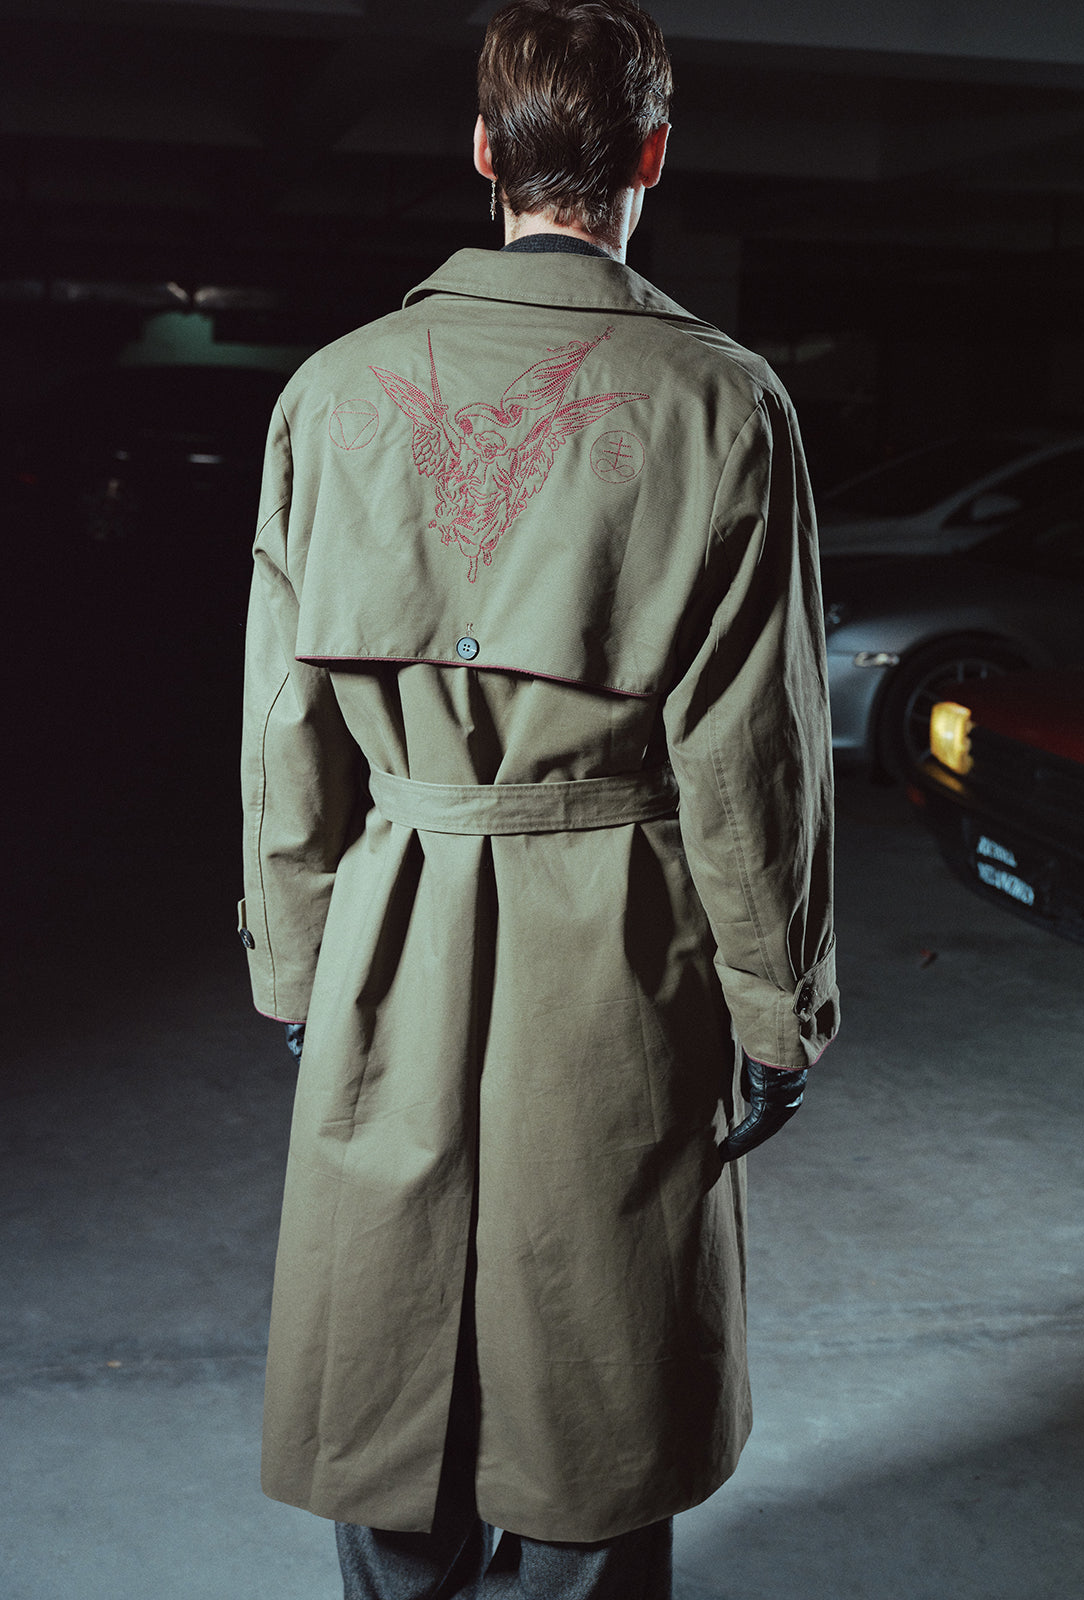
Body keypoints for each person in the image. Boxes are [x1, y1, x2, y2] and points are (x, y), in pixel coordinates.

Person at [238, 2, 838, 1594]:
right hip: (619, 947)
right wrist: (777, 1008)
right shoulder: (720, 402)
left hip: (394, 927)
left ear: (482, 153)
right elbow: (752, 758)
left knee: (391, 1375)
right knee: (598, 1383)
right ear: (653, 155)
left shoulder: (331, 395)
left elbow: (286, 731)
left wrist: (296, 967)